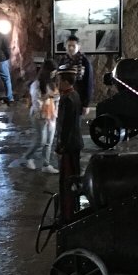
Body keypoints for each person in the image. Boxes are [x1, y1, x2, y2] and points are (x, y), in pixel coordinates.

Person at [12, 60, 59, 173]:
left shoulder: (53, 84)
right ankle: (27, 157)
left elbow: (57, 98)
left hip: (51, 114)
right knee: (41, 140)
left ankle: (46, 165)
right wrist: (47, 100)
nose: (53, 74)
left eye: (55, 72)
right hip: (39, 115)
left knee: (49, 141)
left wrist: (55, 109)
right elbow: (36, 100)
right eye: (52, 72)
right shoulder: (37, 84)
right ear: (46, 72)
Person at [54, 65, 85, 220]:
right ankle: (74, 208)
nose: (57, 83)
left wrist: (60, 146)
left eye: (59, 80)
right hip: (76, 144)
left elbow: (65, 127)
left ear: (65, 81)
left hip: (69, 146)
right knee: (75, 178)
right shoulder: (75, 95)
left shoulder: (66, 99)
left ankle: (67, 214)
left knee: (67, 180)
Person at [57, 37, 95, 115]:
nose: (71, 48)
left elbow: (89, 83)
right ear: (65, 47)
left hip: (78, 98)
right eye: (69, 46)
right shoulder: (63, 60)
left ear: (79, 47)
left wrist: (86, 104)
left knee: (75, 123)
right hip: (64, 97)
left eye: (73, 46)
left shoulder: (84, 62)